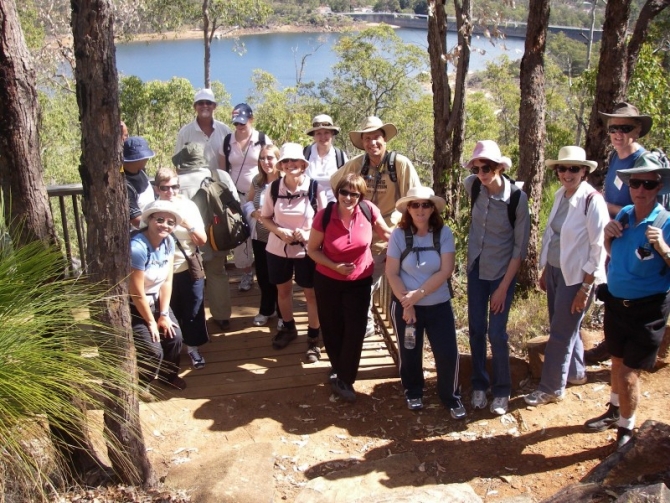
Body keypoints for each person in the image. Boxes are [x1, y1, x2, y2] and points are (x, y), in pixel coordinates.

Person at [584, 152, 670, 450]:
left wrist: (662, 247)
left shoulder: (665, 222)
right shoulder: (623, 215)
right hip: (616, 303)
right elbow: (613, 252)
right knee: (617, 362)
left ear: (659, 187)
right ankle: (614, 409)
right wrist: (607, 237)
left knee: (630, 373)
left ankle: (626, 430)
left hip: (648, 310)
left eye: (648, 184)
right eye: (636, 183)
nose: (641, 189)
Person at [524, 146, 609, 407]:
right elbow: (554, 237)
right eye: (563, 168)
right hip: (556, 270)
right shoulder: (562, 195)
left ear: (584, 170)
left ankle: (551, 387)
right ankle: (575, 373)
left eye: (574, 168)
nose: (567, 173)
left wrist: (586, 288)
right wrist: (545, 270)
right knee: (564, 325)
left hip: (577, 277)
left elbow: (599, 247)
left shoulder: (592, 201)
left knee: (561, 331)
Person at [330, 116, 421, 337]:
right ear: (362, 142)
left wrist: (402, 225)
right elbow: (335, 183)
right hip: (361, 233)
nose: (373, 143)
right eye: (367, 138)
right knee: (364, 280)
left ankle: (375, 323)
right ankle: (366, 321)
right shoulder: (357, 164)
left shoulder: (399, 164)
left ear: (385, 139)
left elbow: (414, 197)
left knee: (375, 280)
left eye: (377, 137)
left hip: (389, 234)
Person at [307, 173, 391, 401]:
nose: (349, 197)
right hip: (328, 279)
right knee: (333, 327)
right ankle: (338, 369)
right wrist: (334, 266)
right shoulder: (324, 216)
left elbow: (386, 233)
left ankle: (345, 378)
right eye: (344, 192)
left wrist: (412, 236)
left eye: (354, 193)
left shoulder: (368, 210)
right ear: (337, 193)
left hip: (360, 280)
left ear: (361, 195)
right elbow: (312, 250)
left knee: (355, 329)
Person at [385, 186, 465, 419]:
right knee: (410, 351)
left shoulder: (443, 233)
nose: (420, 209)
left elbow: (446, 270)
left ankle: (451, 396)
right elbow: (392, 273)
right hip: (405, 304)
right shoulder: (400, 235)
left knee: (447, 353)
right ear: (408, 208)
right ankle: (413, 390)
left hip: (438, 304)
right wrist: (407, 304)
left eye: (425, 204)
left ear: (432, 209)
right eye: (415, 204)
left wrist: (417, 295)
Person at [464, 140, 530, 416]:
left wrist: (504, 287)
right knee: (477, 329)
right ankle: (480, 383)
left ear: (500, 167)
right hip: (476, 269)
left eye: (488, 167)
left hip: (502, 272)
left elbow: (519, 247)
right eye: (478, 167)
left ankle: (502, 390)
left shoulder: (516, 198)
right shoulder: (473, 186)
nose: (482, 172)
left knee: (497, 333)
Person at [586, 102, 654, 365]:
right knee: (613, 289)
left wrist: (605, 205)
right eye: (613, 128)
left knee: (629, 292)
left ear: (636, 130)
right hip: (613, 233)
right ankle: (612, 345)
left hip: (632, 236)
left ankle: (629, 352)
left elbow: (645, 202)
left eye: (625, 128)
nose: (618, 133)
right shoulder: (617, 156)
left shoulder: (642, 160)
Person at [260, 143, 327, 356]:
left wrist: (308, 235)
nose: (291, 165)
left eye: (295, 161)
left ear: (303, 164)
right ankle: (288, 328)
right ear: (281, 165)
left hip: (309, 250)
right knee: (283, 290)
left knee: (311, 294)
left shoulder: (315, 188)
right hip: (278, 248)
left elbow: (324, 221)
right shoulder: (273, 188)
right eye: (286, 161)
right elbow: (265, 218)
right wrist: (280, 232)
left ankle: (314, 335)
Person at [172, 142, 238, 332]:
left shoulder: (177, 183)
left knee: (191, 279)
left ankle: (193, 322)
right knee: (217, 273)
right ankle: (222, 316)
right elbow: (234, 202)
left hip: (188, 239)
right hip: (218, 235)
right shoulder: (219, 176)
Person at [154, 167, 209, 369]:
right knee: (169, 311)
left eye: (175, 187)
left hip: (188, 265)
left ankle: (193, 348)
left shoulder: (188, 206)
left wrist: (186, 224)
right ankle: (171, 354)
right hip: (161, 271)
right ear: (156, 188)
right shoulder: (152, 209)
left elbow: (202, 240)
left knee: (193, 309)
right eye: (165, 187)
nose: (171, 192)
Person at [129, 199, 186, 391]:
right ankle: (142, 384)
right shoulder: (137, 248)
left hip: (156, 300)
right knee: (153, 350)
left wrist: (163, 315)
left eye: (171, 222)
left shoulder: (168, 242)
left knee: (175, 337)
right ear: (149, 219)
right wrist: (151, 322)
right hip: (135, 305)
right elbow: (136, 292)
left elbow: (167, 281)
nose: (165, 225)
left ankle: (168, 376)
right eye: (160, 219)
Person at [218, 103, 272, 292]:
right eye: (236, 123)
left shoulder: (262, 139)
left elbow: (272, 163)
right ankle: (246, 273)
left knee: (262, 232)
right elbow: (223, 170)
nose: (240, 127)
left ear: (251, 119)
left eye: (243, 122)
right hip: (235, 196)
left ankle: (267, 272)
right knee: (240, 234)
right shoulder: (227, 141)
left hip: (260, 194)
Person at [245, 144, 283, 327]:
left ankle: (284, 314)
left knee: (280, 277)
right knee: (263, 275)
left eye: (270, 158)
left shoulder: (285, 181)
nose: (266, 162)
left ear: (278, 159)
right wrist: (253, 213)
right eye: (262, 158)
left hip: (280, 237)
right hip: (260, 238)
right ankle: (267, 309)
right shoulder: (257, 181)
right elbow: (248, 202)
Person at [175, 88, 232, 174]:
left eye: (208, 102)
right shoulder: (184, 133)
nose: (205, 106)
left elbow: (233, 161)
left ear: (214, 106)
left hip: (220, 184)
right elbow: (178, 165)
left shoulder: (225, 131)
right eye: (200, 103)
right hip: (194, 185)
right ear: (195, 107)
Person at [304, 114, 348, 202]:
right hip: (308, 207)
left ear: (332, 134)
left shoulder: (340, 156)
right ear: (314, 136)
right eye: (318, 133)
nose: (323, 137)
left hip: (333, 207)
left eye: (326, 133)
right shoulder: (305, 154)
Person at [123, 136, 156, 229]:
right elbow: (135, 220)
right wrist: (156, 227)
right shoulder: (125, 185)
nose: (147, 160)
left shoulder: (141, 172)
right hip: (139, 233)